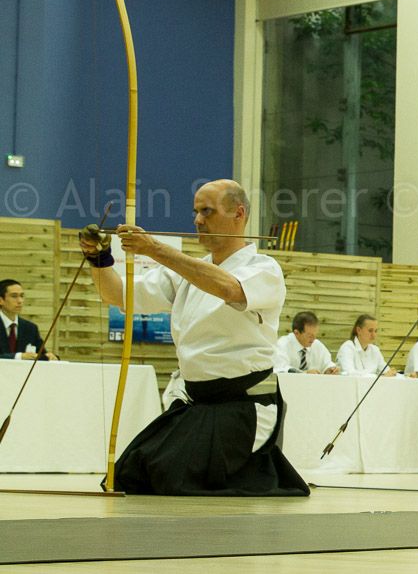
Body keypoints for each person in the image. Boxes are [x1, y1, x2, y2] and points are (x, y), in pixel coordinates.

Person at [79, 179, 306, 495]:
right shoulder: (186, 272)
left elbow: (228, 288)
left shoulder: (264, 269)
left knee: (175, 477)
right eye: (196, 212)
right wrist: (99, 258)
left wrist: (155, 248)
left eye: (207, 212)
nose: (198, 220)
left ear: (239, 213)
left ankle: (259, 468)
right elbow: (118, 294)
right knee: (131, 472)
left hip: (243, 407)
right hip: (197, 404)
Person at [0, 279, 54, 360]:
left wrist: (50, 357)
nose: (20, 301)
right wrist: (19, 356)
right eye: (14, 296)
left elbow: (41, 355)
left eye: (22, 296)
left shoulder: (30, 328)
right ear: (1, 300)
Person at [271, 311, 337, 374]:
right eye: (310, 336)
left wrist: (329, 370)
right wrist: (304, 374)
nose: (313, 339)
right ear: (296, 333)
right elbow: (281, 368)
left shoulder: (317, 344)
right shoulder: (283, 344)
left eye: (315, 335)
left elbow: (327, 363)